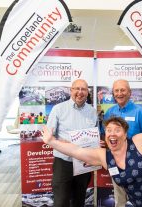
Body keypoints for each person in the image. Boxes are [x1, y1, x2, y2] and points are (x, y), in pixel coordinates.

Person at [42, 99, 142, 207]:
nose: (112, 134)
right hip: (140, 203)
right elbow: (76, 150)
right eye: (108, 130)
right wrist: (52, 142)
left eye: (117, 130)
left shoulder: (138, 142)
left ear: (125, 132)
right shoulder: (104, 156)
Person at [46, 79, 98, 207]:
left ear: (87, 92)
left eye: (84, 89)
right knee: (61, 201)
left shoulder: (92, 112)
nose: (80, 92)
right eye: (77, 89)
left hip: (84, 164)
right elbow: (49, 137)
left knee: (79, 200)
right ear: (71, 90)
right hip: (64, 163)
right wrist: (60, 142)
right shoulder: (58, 109)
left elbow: (95, 136)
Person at [102, 79, 142, 206]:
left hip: (136, 163)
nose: (119, 93)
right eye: (116, 91)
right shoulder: (109, 112)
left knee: (140, 196)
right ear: (113, 94)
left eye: (123, 90)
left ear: (129, 93)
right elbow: (105, 135)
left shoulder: (139, 111)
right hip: (116, 162)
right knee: (119, 198)